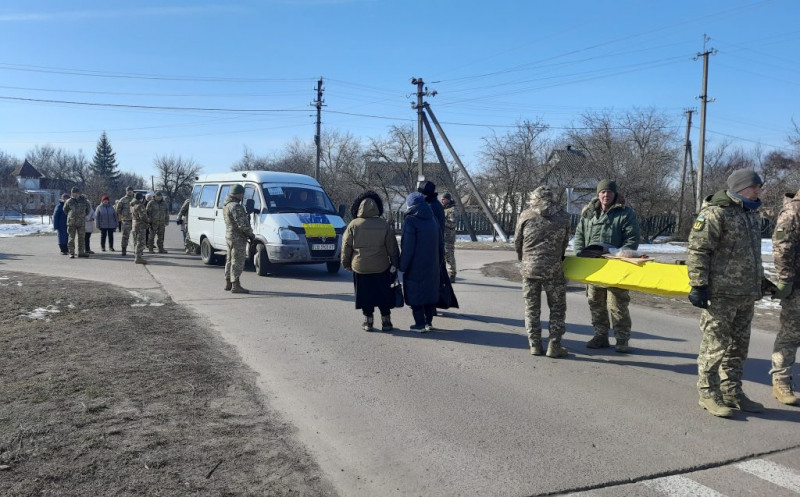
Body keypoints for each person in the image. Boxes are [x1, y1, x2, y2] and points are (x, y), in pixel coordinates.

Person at [688, 169, 765, 418]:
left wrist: (761, 281)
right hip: (720, 293)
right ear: (741, 188)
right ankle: (708, 393)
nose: (758, 191)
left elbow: (750, 255)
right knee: (715, 346)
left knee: (738, 347)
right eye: (755, 186)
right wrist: (698, 285)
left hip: (745, 293)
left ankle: (732, 391)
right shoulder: (716, 212)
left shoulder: (751, 214)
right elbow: (698, 250)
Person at [573, 179, 640, 353]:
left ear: (615, 194)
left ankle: (622, 339)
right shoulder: (588, 213)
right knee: (595, 302)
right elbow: (579, 235)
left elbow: (632, 239)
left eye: (609, 192)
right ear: (598, 194)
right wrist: (581, 255)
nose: (606, 195)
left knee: (617, 304)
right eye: (603, 192)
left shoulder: (625, 213)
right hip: (593, 266)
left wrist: (620, 254)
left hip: (615, 265)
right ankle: (600, 335)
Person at [514, 186, 571, 358]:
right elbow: (564, 243)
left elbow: (517, 242)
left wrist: (524, 259)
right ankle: (554, 344)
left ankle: (535, 345)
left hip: (530, 269)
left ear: (535, 198)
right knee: (557, 308)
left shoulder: (526, 215)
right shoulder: (564, 217)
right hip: (553, 269)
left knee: (532, 308)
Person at [342, 190, 400, 332]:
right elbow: (392, 247)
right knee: (383, 293)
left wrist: (346, 263)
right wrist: (394, 263)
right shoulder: (384, 224)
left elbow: (346, 246)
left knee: (365, 294)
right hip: (381, 266)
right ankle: (386, 321)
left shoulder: (353, 224)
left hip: (360, 267)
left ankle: (368, 321)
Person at [769, 186, 800, 406]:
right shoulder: (793, 212)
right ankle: (781, 380)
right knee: (791, 333)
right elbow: (782, 246)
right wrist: (785, 279)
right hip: (798, 284)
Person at [400, 192, 443, 332]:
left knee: (416, 293)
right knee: (429, 292)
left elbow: (407, 248)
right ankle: (428, 322)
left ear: (410, 205)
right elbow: (440, 244)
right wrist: (439, 261)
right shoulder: (433, 219)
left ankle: (419, 324)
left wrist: (402, 266)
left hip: (415, 266)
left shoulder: (410, 221)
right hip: (433, 264)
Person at [223, 184, 256, 294]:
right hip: (237, 237)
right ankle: (235, 285)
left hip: (229, 235)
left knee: (229, 260)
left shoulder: (226, 205)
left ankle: (228, 282)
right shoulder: (236, 206)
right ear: (238, 194)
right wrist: (251, 235)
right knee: (237, 261)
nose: (242, 196)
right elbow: (242, 224)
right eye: (242, 194)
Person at [63, 186, 91, 258]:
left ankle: (81, 252)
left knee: (81, 238)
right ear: (71, 193)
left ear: (79, 193)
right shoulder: (69, 201)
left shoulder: (84, 201)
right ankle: (71, 252)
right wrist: (71, 216)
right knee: (71, 238)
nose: (74, 195)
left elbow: (88, 210)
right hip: (71, 222)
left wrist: (82, 215)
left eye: (76, 193)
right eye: (73, 193)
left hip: (81, 222)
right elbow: (65, 210)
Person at [441, 192, 457, 281]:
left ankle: (452, 274)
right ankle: (443, 274)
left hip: (449, 237)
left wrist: (442, 221)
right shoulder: (443, 209)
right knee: (441, 256)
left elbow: (452, 224)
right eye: (442, 199)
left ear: (448, 199)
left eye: (444, 199)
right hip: (442, 236)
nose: (442, 200)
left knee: (449, 256)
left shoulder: (452, 210)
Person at [131, 192, 150, 264]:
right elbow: (143, 216)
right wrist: (148, 222)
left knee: (136, 242)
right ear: (141, 199)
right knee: (140, 242)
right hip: (140, 225)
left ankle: (136, 256)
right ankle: (138, 258)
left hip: (134, 225)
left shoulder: (132, 205)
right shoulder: (140, 206)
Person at [116, 187, 135, 256]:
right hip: (126, 220)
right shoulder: (122, 200)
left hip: (135, 220)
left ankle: (137, 250)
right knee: (125, 236)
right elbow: (118, 210)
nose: (129, 192)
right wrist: (120, 220)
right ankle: (124, 249)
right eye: (128, 191)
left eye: (131, 191)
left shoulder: (135, 199)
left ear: (133, 191)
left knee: (136, 236)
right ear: (126, 191)